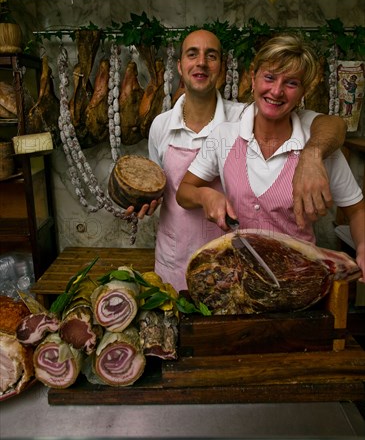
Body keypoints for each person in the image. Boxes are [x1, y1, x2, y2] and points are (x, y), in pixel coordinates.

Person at [131, 29, 347, 292]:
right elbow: (163, 189)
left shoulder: (248, 116)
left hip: (230, 264)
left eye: (211, 56)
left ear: (221, 69)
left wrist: (312, 155)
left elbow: (332, 123)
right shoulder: (160, 126)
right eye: (192, 54)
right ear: (179, 66)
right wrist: (143, 201)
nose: (201, 62)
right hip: (173, 258)